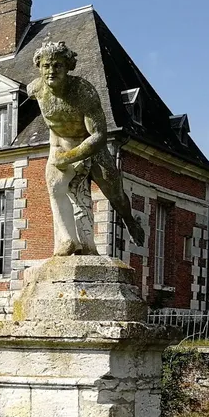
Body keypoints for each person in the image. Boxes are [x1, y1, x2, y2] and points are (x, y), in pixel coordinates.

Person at [28, 39, 145, 256]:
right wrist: (60, 154)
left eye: (57, 65)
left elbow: (99, 135)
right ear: (39, 67)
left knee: (115, 193)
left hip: (89, 145)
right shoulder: (35, 89)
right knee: (55, 187)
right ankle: (68, 241)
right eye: (46, 66)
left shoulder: (83, 91)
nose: (51, 71)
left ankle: (130, 220)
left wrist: (71, 156)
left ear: (68, 66)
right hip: (60, 144)